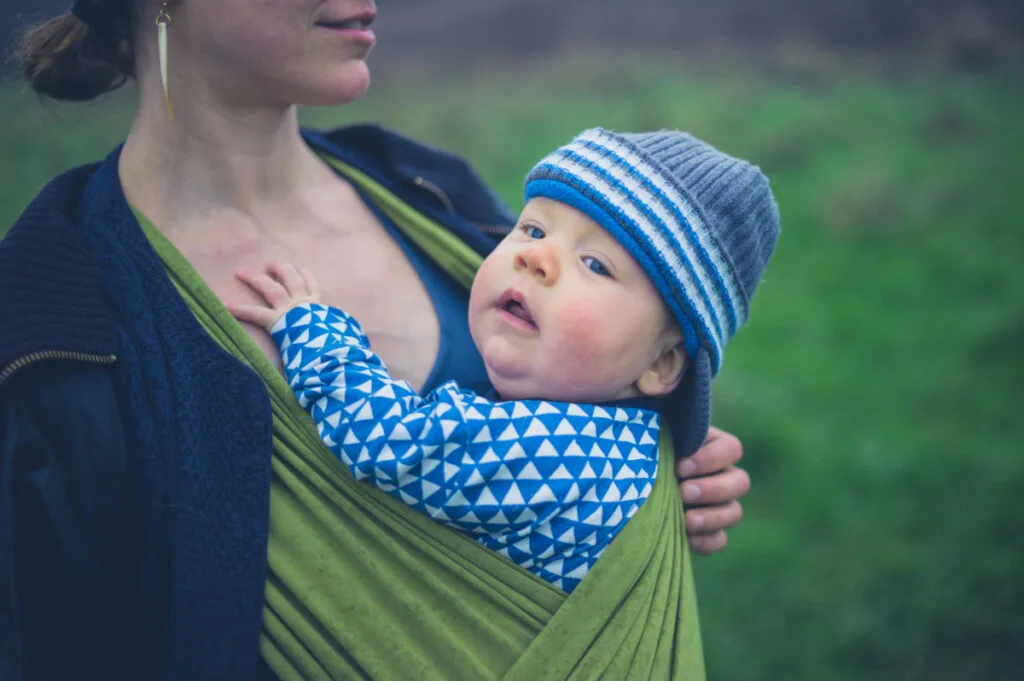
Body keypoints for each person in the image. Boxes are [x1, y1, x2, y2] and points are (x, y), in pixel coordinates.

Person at [0, 1, 752, 679]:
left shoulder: (434, 193)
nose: (537, 253)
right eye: (536, 234)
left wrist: (666, 481)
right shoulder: (47, 332)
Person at [229, 128, 778, 594]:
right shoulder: (630, 446)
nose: (534, 257)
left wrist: (313, 328)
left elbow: (391, 442)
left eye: (595, 264)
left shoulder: (558, 454)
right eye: (534, 229)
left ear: (660, 366)